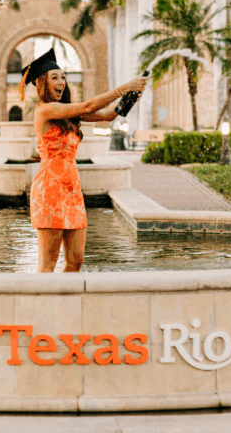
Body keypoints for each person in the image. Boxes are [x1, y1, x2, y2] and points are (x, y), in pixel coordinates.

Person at [18, 49, 148, 273]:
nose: (61, 82)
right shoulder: (45, 111)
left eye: (63, 77)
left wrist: (130, 98)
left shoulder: (67, 113)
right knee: (48, 264)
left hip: (72, 190)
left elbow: (107, 115)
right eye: (54, 78)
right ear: (42, 84)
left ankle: (67, 304)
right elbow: (88, 106)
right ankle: (42, 305)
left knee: (76, 262)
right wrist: (124, 87)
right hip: (49, 189)